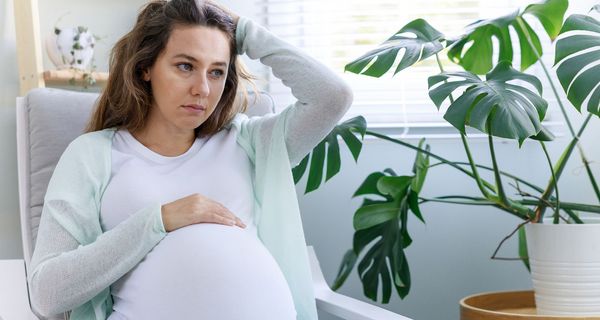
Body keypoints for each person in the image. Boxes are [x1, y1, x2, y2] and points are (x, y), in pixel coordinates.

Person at [27, 0, 353, 319]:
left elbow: (333, 96)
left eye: (216, 72)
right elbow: (47, 295)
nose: (203, 89)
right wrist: (158, 220)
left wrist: (243, 31)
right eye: (186, 66)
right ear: (145, 68)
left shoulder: (248, 141)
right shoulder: (92, 155)